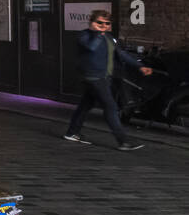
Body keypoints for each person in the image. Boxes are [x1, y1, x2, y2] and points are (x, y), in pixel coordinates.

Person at [64, 9, 152, 150]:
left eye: (106, 23)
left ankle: (72, 132)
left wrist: (140, 66)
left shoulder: (110, 38)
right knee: (111, 107)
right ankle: (123, 141)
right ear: (92, 22)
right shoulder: (84, 35)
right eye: (99, 22)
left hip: (104, 77)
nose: (103, 25)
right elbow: (91, 48)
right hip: (93, 77)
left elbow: (121, 54)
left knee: (85, 105)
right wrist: (98, 33)